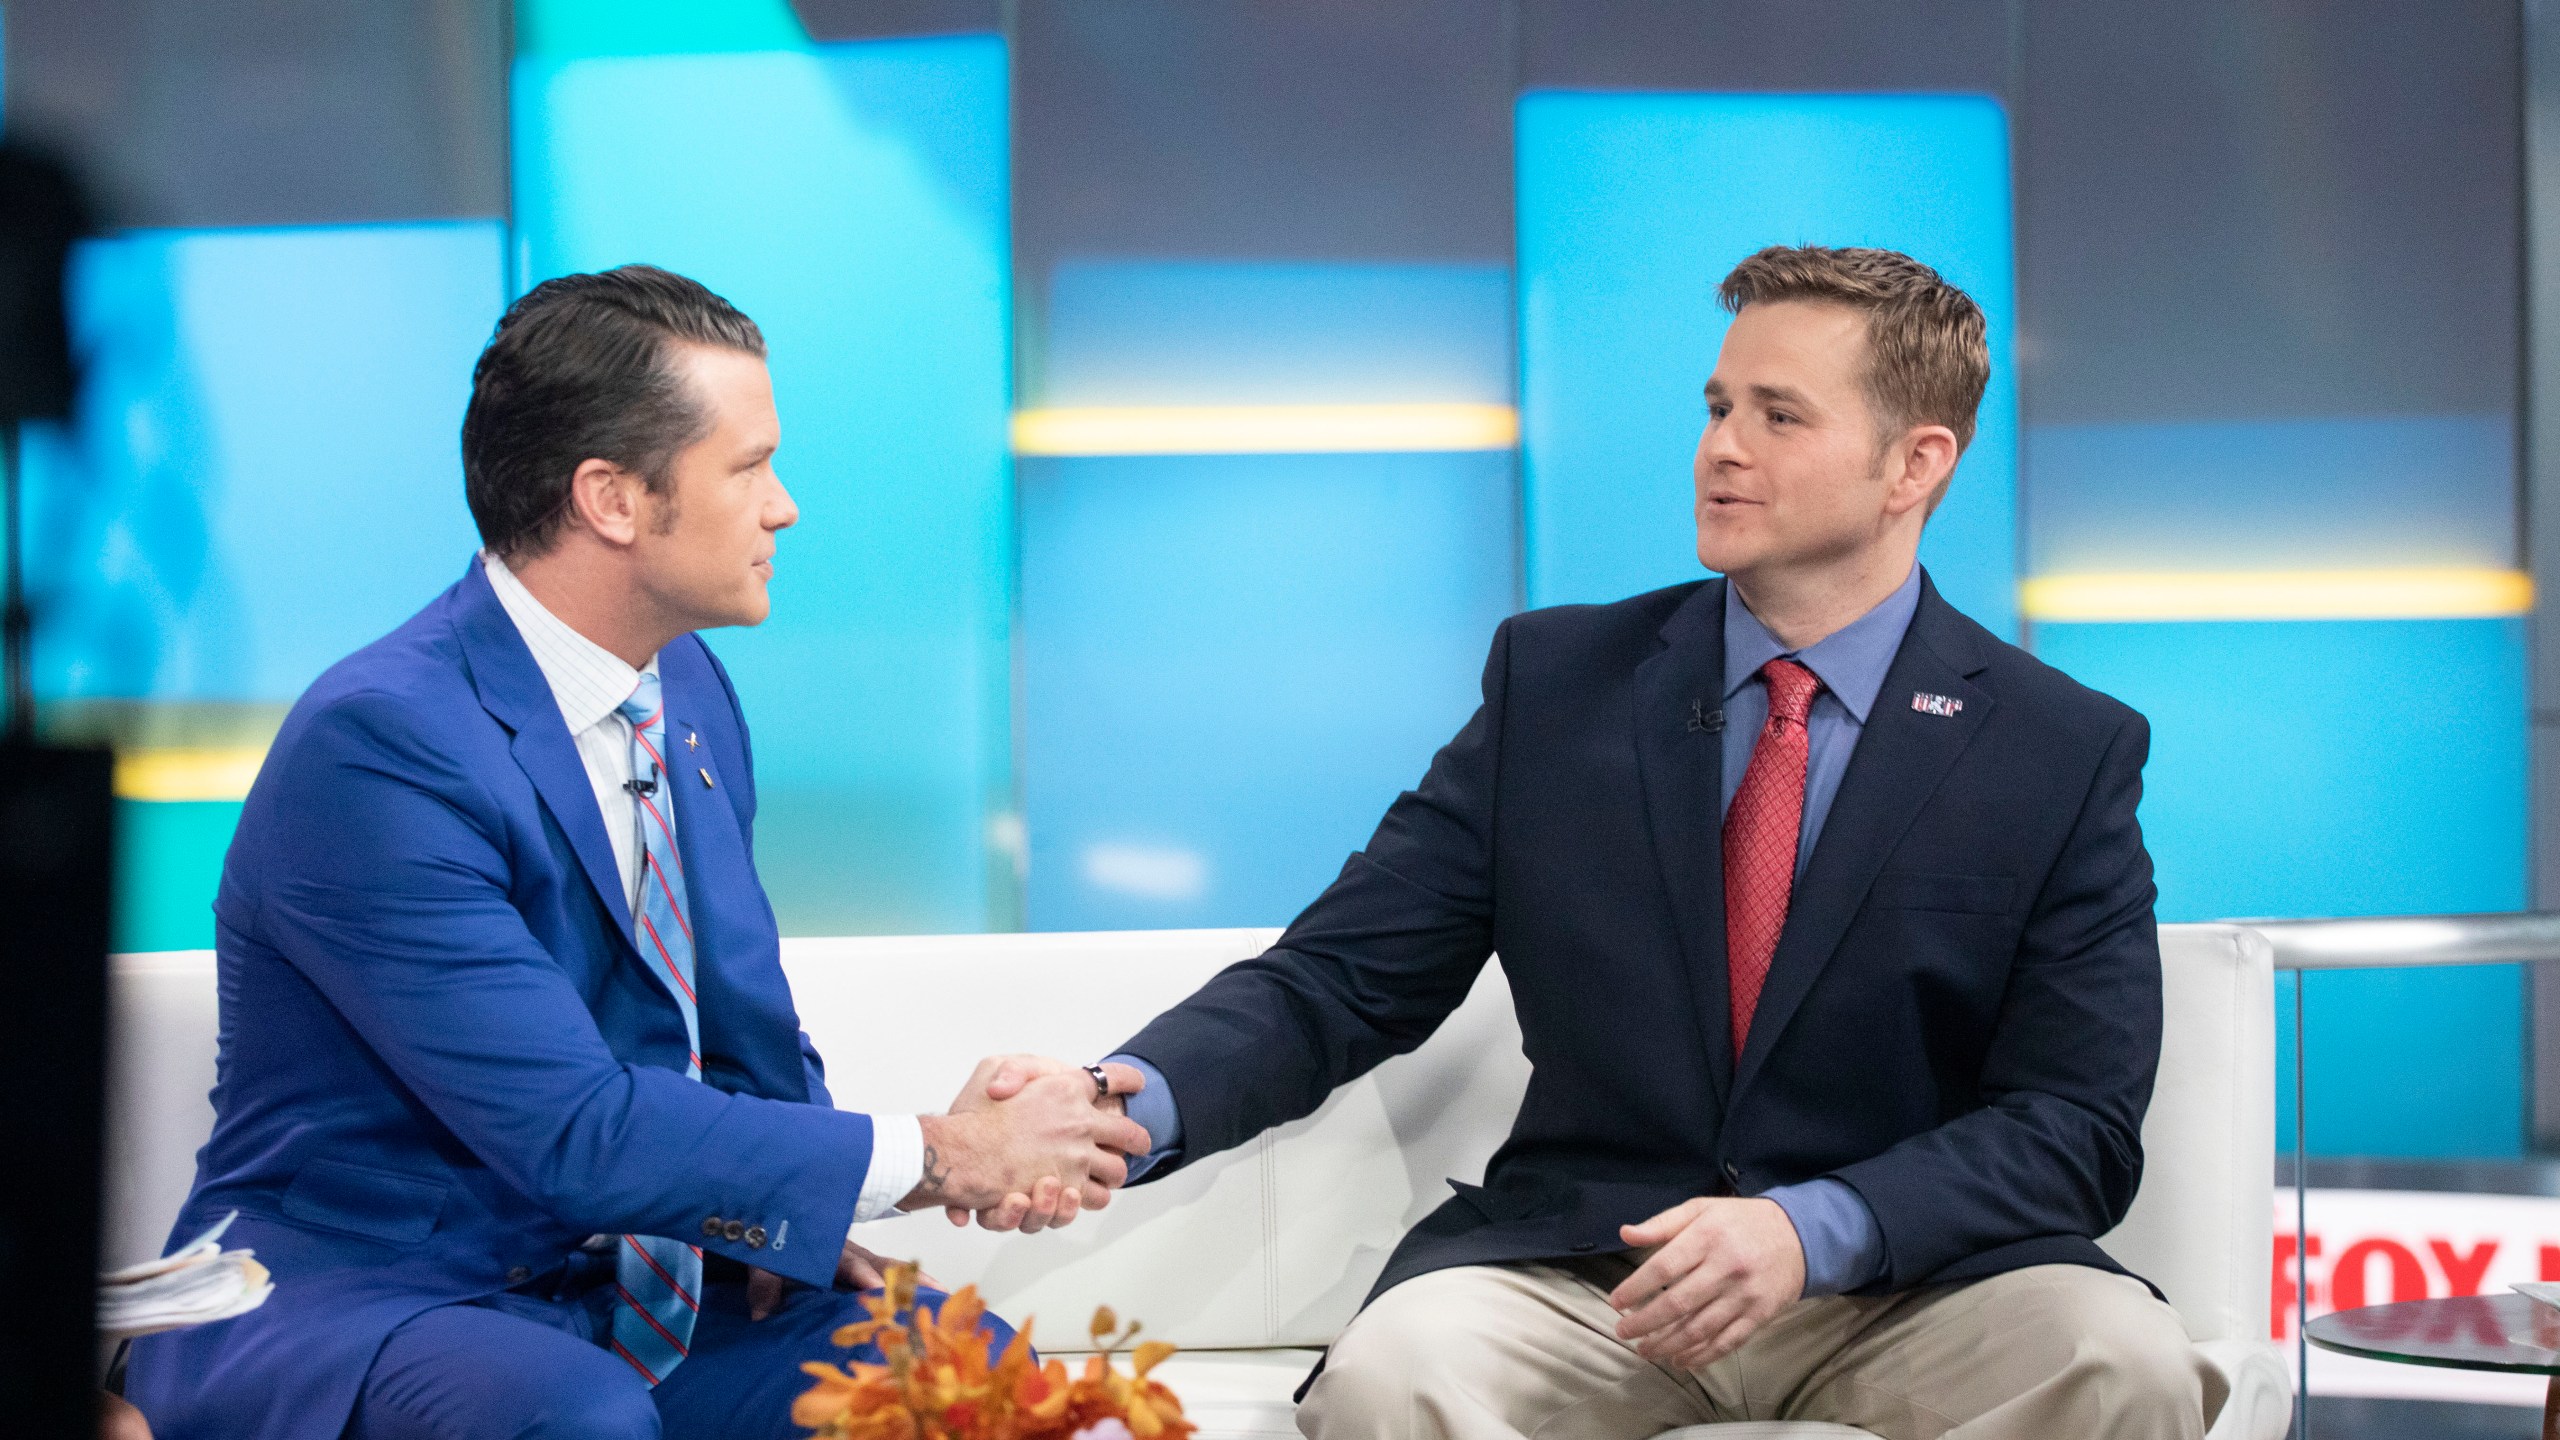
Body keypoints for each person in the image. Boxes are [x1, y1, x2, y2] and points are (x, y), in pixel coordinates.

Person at [984, 245, 2218, 1439]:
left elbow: (2074, 1123)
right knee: (1396, 1375)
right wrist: (1117, 1102)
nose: (1720, 447)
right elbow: (1339, 979)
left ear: (1914, 464)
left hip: (1912, 1287)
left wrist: (1813, 1228)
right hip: (1593, 1277)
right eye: (1718, 404)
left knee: (2121, 1364)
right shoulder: (1560, 682)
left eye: (1779, 417)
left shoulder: (2059, 749)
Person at [123, 266, 1150, 1440]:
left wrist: (782, 1218)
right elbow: (570, 1128)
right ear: (612, 499)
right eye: (749, 467)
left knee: (964, 1378)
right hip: (380, 1291)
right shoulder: (381, 746)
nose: (785, 507)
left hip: (627, 1281)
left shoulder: (690, 690)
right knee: (577, 1418)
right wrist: (943, 1152)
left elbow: (746, 1036)